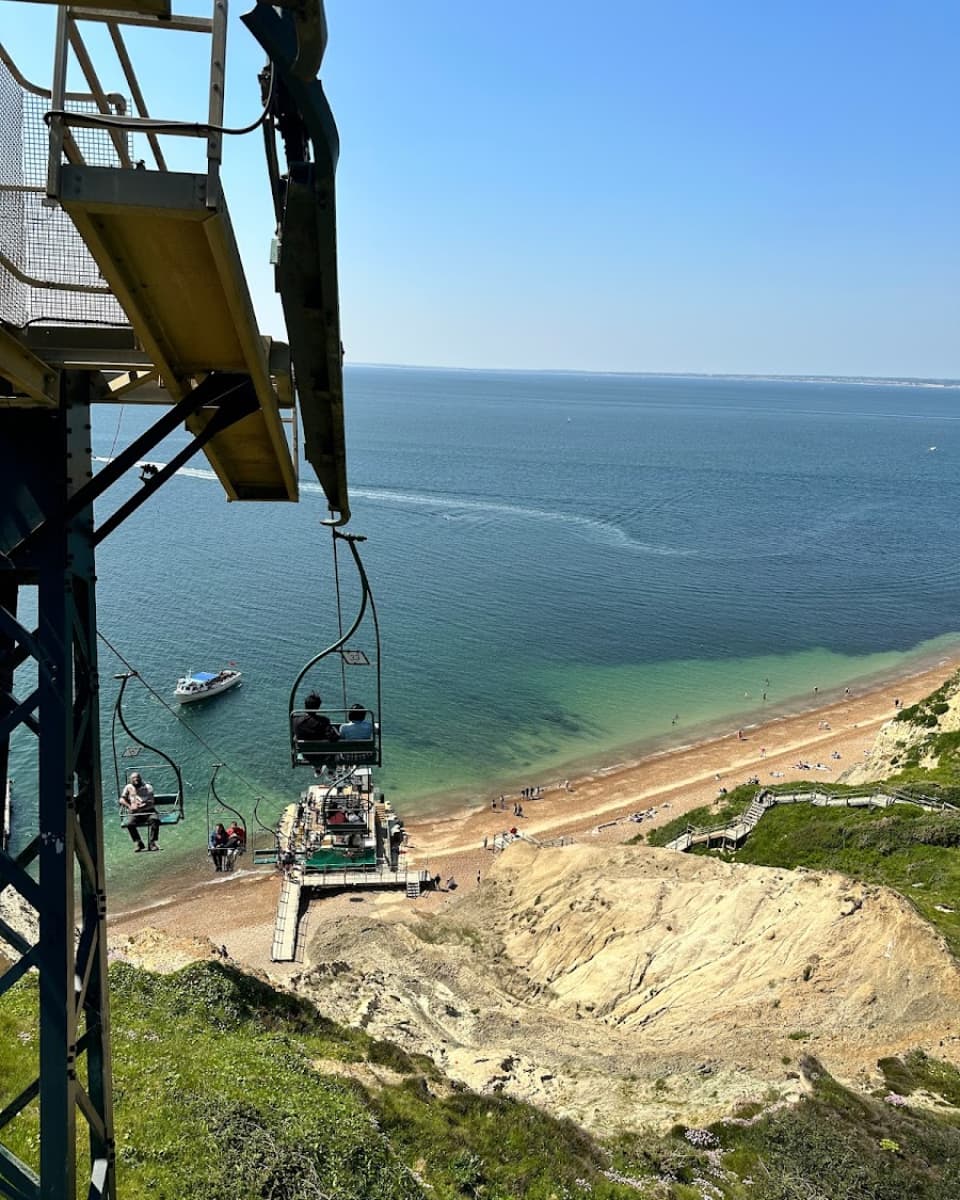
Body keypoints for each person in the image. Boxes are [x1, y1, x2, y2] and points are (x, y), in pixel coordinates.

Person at [120, 772, 159, 852]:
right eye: (133, 778)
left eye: (137, 778)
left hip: (148, 811)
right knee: (130, 824)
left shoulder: (148, 787)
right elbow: (121, 799)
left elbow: (151, 801)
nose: (136, 780)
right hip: (136, 813)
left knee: (155, 820)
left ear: (140, 778)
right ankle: (139, 843)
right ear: (130, 780)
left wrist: (141, 806)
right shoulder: (128, 787)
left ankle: (152, 843)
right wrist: (129, 806)